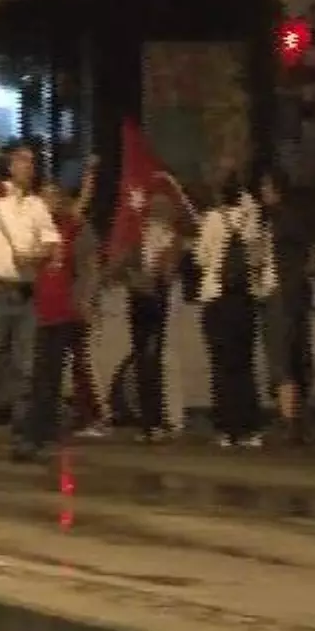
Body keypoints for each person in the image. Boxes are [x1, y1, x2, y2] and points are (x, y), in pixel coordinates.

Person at [0, 141, 61, 465]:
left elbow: (51, 245)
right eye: (22, 160)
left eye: (31, 162)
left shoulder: (36, 206)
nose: (28, 166)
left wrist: (31, 255)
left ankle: (21, 438)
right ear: (11, 165)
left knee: (25, 370)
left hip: (25, 296)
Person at [30, 170, 100, 451]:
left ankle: (49, 425)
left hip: (60, 310)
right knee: (37, 371)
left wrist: (84, 299)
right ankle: (36, 424)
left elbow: (81, 208)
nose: (49, 202)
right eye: (45, 196)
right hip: (35, 309)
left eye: (53, 196)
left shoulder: (68, 228)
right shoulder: (31, 229)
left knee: (54, 371)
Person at [195, 173, 265, 447]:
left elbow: (202, 257)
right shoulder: (252, 221)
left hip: (216, 297)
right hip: (245, 298)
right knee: (245, 363)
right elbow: (259, 258)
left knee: (221, 364)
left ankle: (226, 428)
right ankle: (250, 427)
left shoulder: (212, 219)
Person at [115, 190, 182, 443]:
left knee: (155, 361)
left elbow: (168, 273)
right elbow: (121, 267)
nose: (157, 213)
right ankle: (148, 423)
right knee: (143, 361)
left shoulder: (171, 239)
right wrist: (133, 277)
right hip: (140, 302)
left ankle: (158, 421)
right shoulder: (139, 235)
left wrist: (158, 269)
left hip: (160, 302)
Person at [258, 169, 314, 443]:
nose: (262, 193)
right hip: (294, 294)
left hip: (281, 293)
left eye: (266, 187)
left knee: (281, 358)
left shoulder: (279, 221)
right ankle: (296, 418)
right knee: (295, 355)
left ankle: (289, 421)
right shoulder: (298, 219)